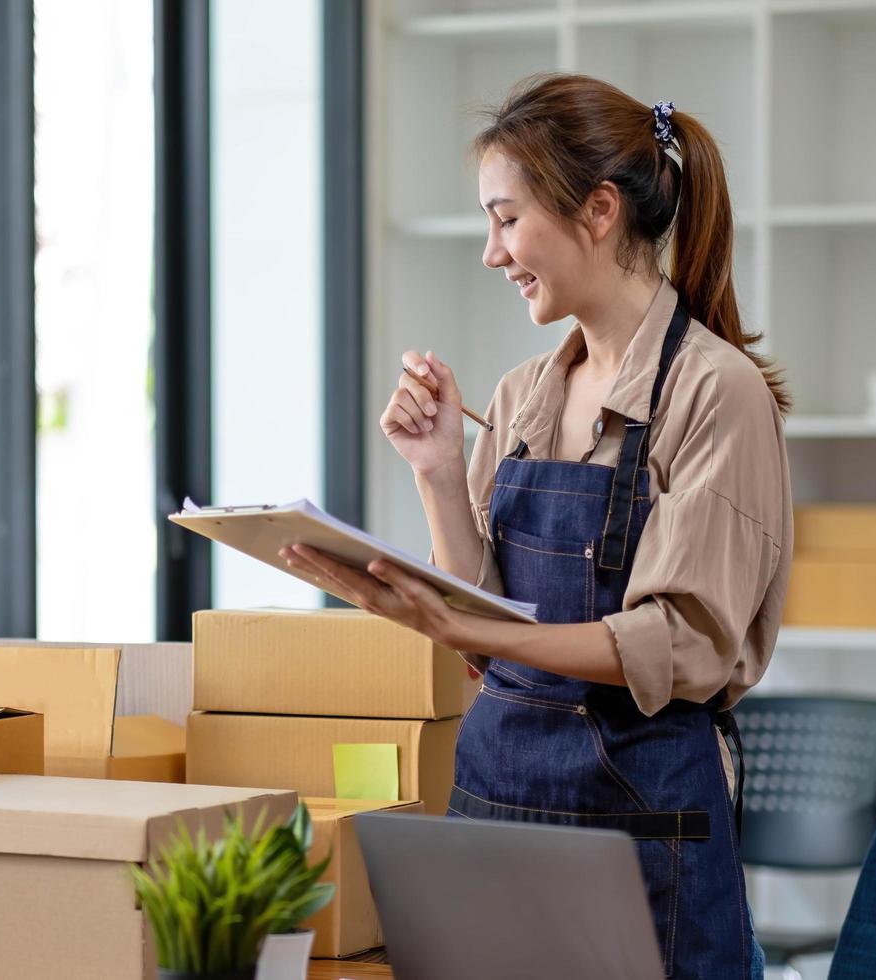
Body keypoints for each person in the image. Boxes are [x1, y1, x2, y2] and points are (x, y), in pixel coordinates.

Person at [281, 74, 792, 979]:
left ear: (597, 210)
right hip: (496, 800)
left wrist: (464, 626)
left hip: (638, 824)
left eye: (506, 219)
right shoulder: (521, 394)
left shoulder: (715, 393)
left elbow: (678, 645)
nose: (491, 251)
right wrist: (437, 471)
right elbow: (488, 622)